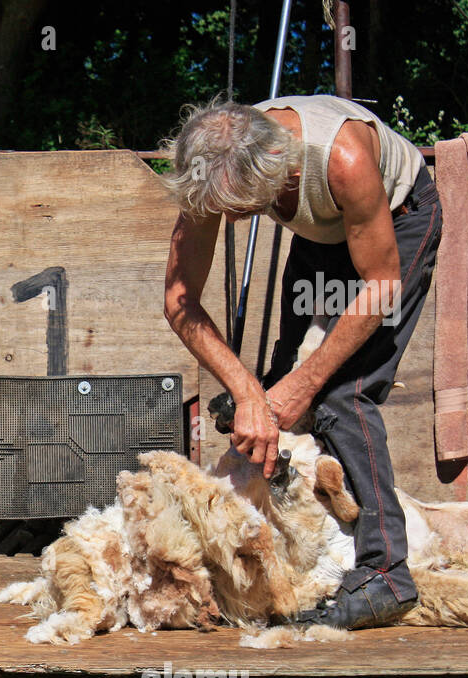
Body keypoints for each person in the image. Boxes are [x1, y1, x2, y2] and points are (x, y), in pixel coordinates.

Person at [161, 94, 443, 629]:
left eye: (236, 210)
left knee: (339, 392)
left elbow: (382, 284)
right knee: (280, 389)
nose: (227, 220)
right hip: (324, 233)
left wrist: (303, 385)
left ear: (271, 171)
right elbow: (180, 296)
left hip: (396, 224)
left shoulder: (344, 158)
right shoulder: (214, 164)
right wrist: (247, 390)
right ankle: (315, 548)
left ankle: (388, 574)